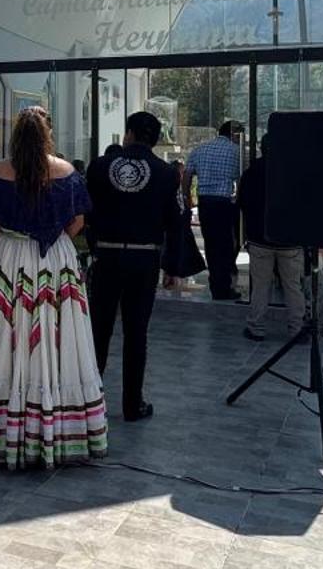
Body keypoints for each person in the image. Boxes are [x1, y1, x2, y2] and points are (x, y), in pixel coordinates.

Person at [0, 107, 107, 468]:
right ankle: (58, 428)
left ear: (15, 135)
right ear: (47, 135)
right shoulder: (68, 172)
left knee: (9, 334)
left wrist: (9, 244)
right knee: (60, 336)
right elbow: (78, 223)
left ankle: (5, 425)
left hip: (10, 257)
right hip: (55, 259)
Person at [85, 111, 182, 421]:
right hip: (144, 259)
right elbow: (175, 222)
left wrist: (94, 248)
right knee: (136, 333)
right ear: (154, 139)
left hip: (107, 257)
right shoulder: (166, 173)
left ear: (128, 134)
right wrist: (172, 266)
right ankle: (132, 403)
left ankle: (89, 400)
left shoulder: (100, 167)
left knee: (99, 331)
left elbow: (86, 212)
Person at [238, 136, 306, 343]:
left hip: (260, 238)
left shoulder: (252, 172)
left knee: (260, 285)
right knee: (293, 286)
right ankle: (297, 328)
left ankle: (256, 327)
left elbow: (242, 202)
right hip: (290, 239)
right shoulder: (294, 172)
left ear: (262, 148)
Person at [187, 121, 244, 300]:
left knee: (211, 245)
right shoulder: (237, 152)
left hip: (205, 203)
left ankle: (215, 283)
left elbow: (187, 176)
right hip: (225, 203)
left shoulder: (200, 149)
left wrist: (186, 199)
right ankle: (223, 286)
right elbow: (242, 178)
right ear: (234, 134)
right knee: (227, 245)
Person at [161, 156, 204, 289]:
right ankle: (173, 276)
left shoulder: (173, 188)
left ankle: (171, 276)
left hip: (176, 226)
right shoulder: (176, 189)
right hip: (177, 225)